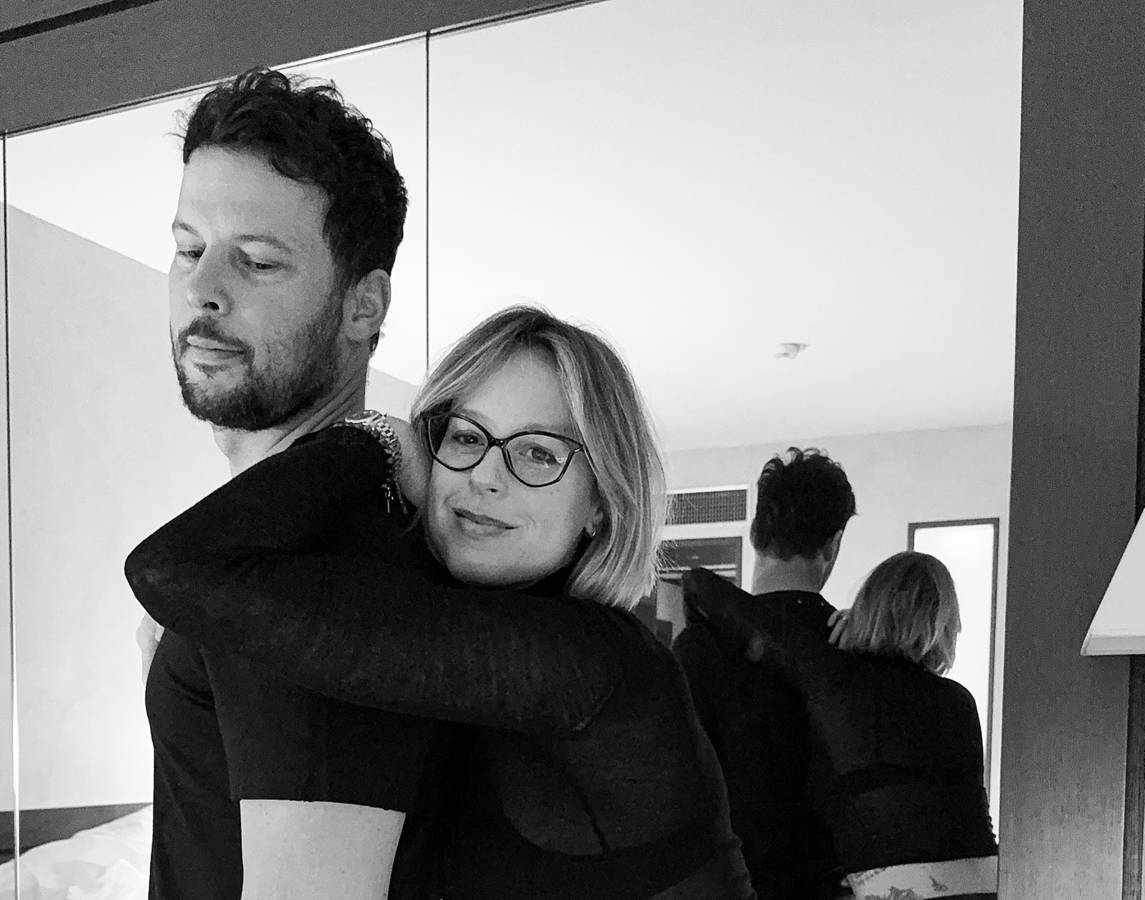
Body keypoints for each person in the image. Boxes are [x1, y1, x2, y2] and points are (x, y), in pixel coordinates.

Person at [127, 305, 757, 899]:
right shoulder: (444, 653)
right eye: (464, 436)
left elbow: (176, 568)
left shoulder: (598, 664)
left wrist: (375, 439)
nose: (486, 475)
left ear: (600, 503)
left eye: (538, 452)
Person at [138, 65, 452, 900]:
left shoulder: (321, 572)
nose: (202, 290)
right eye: (188, 249)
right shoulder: (264, 539)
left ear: (362, 307)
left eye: (257, 262)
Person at [683, 552, 999, 900]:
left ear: (868, 605)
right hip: (983, 881)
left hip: (893, 890)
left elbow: (707, 589)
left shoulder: (840, 682)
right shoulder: (960, 701)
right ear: (945, 624)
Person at [673, 448, 855, 899]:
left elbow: (677, 790)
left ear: (755, 534)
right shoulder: (853, 647)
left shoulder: (699, 648)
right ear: (832, 545)